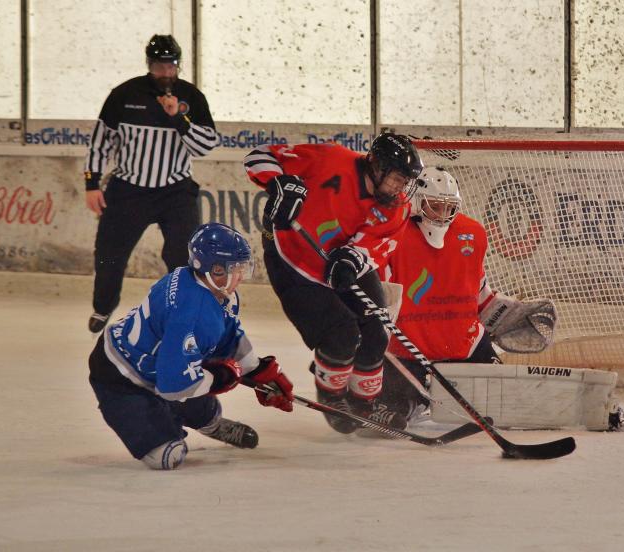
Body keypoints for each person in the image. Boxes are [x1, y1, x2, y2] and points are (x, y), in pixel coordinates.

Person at [243, 133, 423, 434]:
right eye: (395, 179)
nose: (400, 188)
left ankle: (364, 406)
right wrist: (278, 184)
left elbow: (377, 243)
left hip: (342, 260)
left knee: (377, 333)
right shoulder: (330, 159)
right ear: (376, 166)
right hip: (292, 258)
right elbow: (259, 156)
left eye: (405, 182)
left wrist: (354, 257)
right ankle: (333, 399)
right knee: (341, 335)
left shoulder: (397, 205)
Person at [88, 223, 294, 470]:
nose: (240, 276)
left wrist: (257, 370)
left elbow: (226, 334)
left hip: (157, 364)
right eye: (235, 269)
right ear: (215, 270)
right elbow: (174, 384)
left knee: (199, 397)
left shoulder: (210, 288)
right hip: (120, 378)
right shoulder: (192, 312)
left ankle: (210, 423)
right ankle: (158, 416)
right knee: (168, 455)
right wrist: (219, 378)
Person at [378, 167, 557, 422]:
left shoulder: (473, 233)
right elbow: (379, 297)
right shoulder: (394, 231)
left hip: (466, 344)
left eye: (449, 207)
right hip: (406, 348)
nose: (443, 215)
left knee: (506, 403)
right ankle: (415, 397)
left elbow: (478, 293)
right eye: (435, 206)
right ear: (417, 202)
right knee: (394, 415)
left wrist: (508, 312)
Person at [84, 34, 220, 334]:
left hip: (175, 191)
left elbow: (207, 145)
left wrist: (178, 120)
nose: (166, 72)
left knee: (183, 256)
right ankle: (103, 307)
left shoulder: (191, 98)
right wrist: (91, 182)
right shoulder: (124, 94)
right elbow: (100, 142)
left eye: (171, 65)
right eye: (160, 65)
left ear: (178, 65)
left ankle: (185, 310)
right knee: (109, 252)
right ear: (150, 65)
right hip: (129, 189)